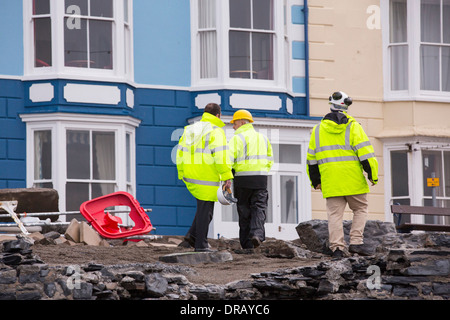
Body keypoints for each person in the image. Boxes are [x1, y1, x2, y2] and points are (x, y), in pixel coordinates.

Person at [306, 91, 378, 258]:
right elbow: (367, 155)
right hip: (352, 179)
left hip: (331, 181)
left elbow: (311, 160)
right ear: (347, 105)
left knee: (334, 215)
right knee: (360, 209)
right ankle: (356, 243)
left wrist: (316, 181)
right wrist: (372, 175)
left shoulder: (317, 131)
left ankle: (337, 248)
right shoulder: (354, 127)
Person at [176, 103, 233, 252]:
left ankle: (191, 237)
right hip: (207, 177)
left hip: (191, 176)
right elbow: (221, 156)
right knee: (206, 212)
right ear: (218, 115)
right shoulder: (216, 131)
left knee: (203, 209)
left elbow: (180, 152)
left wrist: (181, 172)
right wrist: (227, 176)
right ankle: (201, 245)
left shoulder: (190, 129)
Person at [228, 110, 273, 250]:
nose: (233, 127)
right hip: (260, 178)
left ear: (241, 122)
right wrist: (261, 171)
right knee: (259, 208)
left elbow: (228, 159)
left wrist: (227, 177)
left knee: (244, 210)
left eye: (234, 123)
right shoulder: (263, 138)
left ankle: (247, 245)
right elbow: (270, 159)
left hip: (242, 179)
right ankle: (257, 235)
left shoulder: (236, 138)